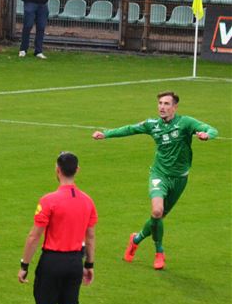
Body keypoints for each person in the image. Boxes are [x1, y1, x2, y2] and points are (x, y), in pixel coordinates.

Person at [92, 91, 218, 270]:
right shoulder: (153, 125)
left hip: (180, 179)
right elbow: (130, 129)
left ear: (175, 107)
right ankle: (159, 252)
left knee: (157, 218)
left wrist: (207, 135)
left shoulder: (186, 123)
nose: (162, 107)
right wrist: (106, 134)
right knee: (157, 211)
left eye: (167, 104)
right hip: (159, 175)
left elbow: (212, 129)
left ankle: (136, 239)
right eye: (160, 103)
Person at [18, 152, 97, 304]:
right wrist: (89, 265)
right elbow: (90, 236)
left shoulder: (49, 200)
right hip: (75, 262)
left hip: (52, 262)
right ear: (77, 170)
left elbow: (34, 235)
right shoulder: (87, 201)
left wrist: (24, 265)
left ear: (57, 170)